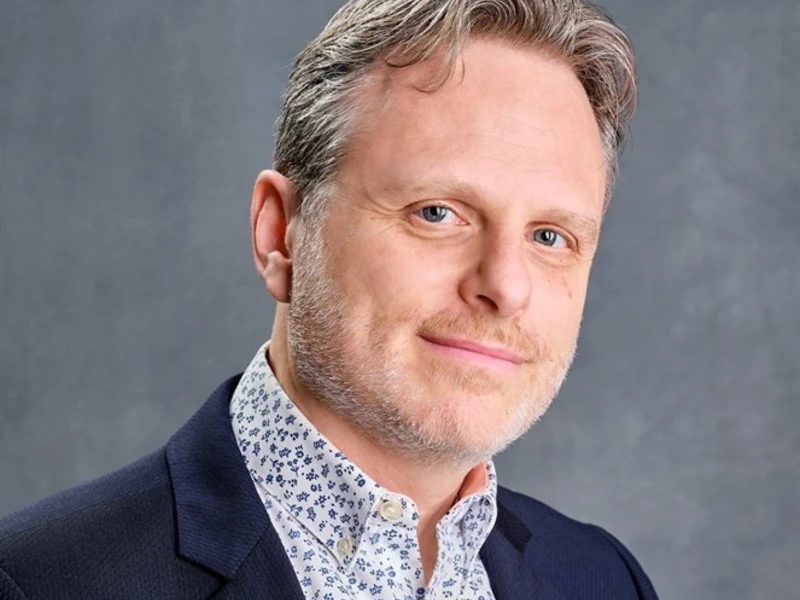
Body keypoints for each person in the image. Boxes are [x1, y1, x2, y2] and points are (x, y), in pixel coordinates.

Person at [0, 0, 658, 598]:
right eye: (437, 213)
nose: (505, 286)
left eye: (551, 235)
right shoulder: (43, 581)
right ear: (280, 233)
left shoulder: (603, 579)